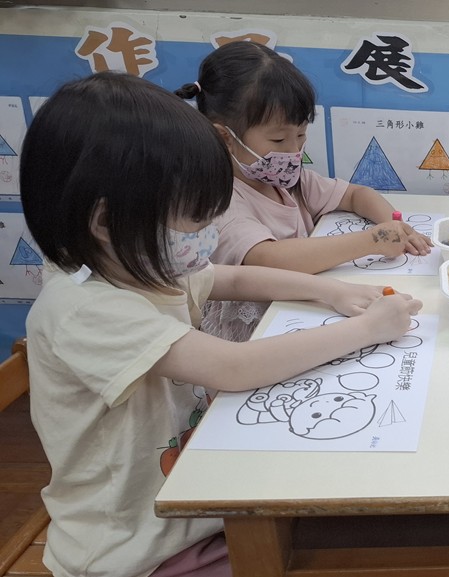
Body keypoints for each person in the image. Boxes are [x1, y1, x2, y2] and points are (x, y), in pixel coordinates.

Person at [20, 72, 422, 577]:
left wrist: (330, 291)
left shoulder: (137, 263)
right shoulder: (84, 308)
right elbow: (234, 368)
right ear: (106, 222)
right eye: (195, 218)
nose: (208, 234)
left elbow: (230, 277)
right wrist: (367, 330)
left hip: (199, 501)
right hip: (138, 548)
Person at [176, 41, 433, 341]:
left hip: (309, 309)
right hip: (258, 337)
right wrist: (371, 240)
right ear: (225, 137)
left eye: (301, 134)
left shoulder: (288, 179)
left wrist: (396, 226)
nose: (293, 150)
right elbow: (268, 260)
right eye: (278, 140)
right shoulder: (219, 200)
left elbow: (356, 194)